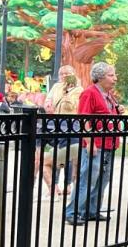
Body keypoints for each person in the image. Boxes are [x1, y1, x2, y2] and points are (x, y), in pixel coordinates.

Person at [65, 62, 121, 224]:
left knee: (102, 179)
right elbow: (84, 119)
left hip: (109, 143)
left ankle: (91, 210)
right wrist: (89, 143)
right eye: (111, 75)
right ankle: (72, 212)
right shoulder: (89, 93)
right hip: (96, 144)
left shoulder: (108, 94)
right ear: (100, 77)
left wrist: (118, 110)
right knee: (88, 179)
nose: (115, 79)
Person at [40, 65, 83, 195]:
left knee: (69, 158)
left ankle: (68, 185)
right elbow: (48, 100)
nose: (64, 76)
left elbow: (72, 106)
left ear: (74, 74)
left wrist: (67, 92)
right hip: (55, 126)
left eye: (67, 74)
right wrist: (47, 105)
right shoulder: (56, 87)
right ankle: (54, 186)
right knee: (56, 157)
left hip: (71, 126)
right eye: (62, 74)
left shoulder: (78, 89)